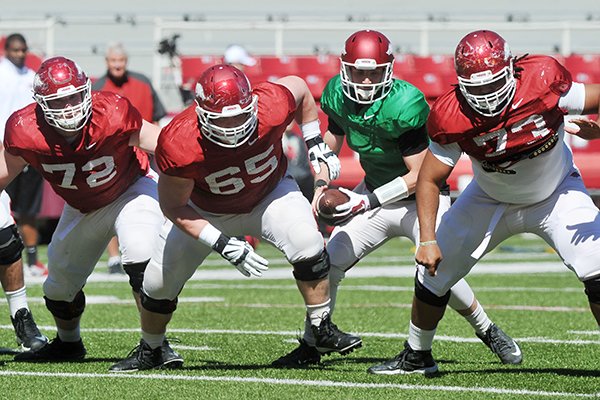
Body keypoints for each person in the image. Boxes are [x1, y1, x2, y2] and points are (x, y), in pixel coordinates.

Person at [272, 29, 521, 368]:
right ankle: (313, 342)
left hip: (419, 200)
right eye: (358, 71)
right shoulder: (337, 93)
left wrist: (366, 202)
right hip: (372, 191)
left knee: (436, 272)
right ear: (345, 68)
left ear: (388, 68)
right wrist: (320, 183)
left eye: (373, 71)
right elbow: (333, 137)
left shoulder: (404, 104)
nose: (365, 79)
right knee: (329, 263)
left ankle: (488, 329)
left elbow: (420, 175)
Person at [371, 29, 600, 376]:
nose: (487, 96)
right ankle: (417, 356)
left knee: (597, 267)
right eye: (476, 89)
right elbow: (430, 178)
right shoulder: (451, 114)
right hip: (490, 197)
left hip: (556, 193)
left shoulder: (541, 78)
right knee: (433, 273)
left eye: (493, 85)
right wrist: (428, 239)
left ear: (512, 69)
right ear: (460, 84)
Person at [109, 64, 360, 372]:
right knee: (157, 283)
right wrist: (221, 242)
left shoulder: (271, 103)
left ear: (252, 104)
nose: (233, 126)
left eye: (241, 115)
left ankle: (321, 326)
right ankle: (151, 348)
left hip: (269, 194)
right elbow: (173, 206)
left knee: (307, 240)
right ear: (201, 113)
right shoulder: (178, 141)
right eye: (222, 119)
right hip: (207, 210)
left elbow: (300, 89)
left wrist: (314, 141)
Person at [3, 56, 180, 366]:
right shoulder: (24, 128)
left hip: (131, 189)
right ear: (41, 104)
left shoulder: (111, 110)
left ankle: (156, 346)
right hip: (82, 205)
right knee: (58, 289)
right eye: (59, 101)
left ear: (86, 91)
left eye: (74, 97)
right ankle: (68, 344)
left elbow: (165, 145)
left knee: (141, 254)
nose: (70, 107)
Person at [93, 42, 168, 274]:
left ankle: (153, 250)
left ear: (126, 62)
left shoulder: (143, 82)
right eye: (113, 61)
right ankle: (114, 257)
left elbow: (157, 117)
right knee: (108, 203)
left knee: (154, 203)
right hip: (111, 155)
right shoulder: (98, 86)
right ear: (107, 62)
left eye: (121, 61)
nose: (117, 65)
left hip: (144, 152)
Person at [0, 33, 47, 277]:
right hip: (2, 149)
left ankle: (31, 259)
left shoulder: (32, 78)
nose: (19, 54)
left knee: (28, 209)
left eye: (23, 50)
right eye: (15, 50)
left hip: (27, 150)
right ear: (7, 50)